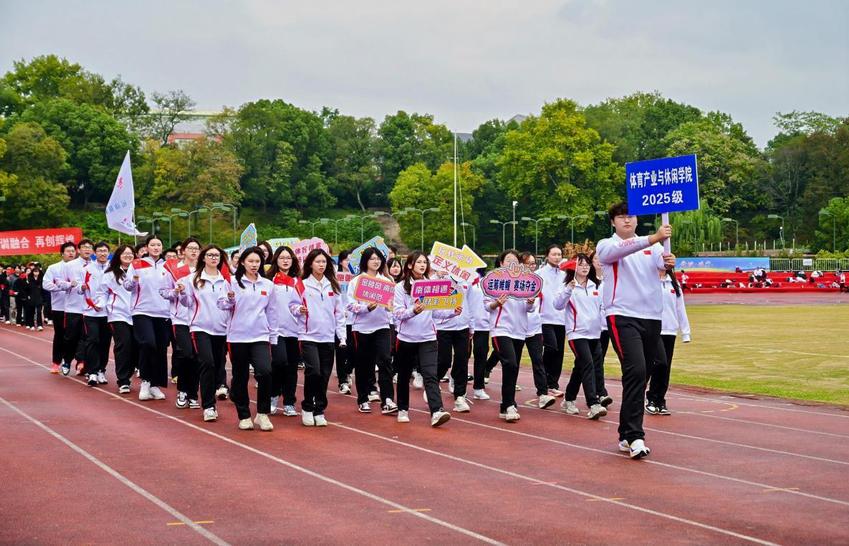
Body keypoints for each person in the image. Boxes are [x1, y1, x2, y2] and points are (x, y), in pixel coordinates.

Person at [596, 202, 674, 459]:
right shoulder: (606, 245)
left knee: (644, 373)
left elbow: (662, 266)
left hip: (651, 316)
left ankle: (625, 433)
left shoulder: (654, 248)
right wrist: (654, 237)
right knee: (636, 370)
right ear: (613, 222)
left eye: (631, 216)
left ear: (637, 220)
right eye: (621, 217)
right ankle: (635, 436)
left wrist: (668, 261)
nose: (627, 220)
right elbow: (622, 250)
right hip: (622, 315)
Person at [393, 251, 459, 426]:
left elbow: (435, 312)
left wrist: (452, 312)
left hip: (428, 337)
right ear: (410, 265)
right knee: (404, 375)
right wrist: (413, 311)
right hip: (406, 338)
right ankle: (402, 409)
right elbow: (397, 313)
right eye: (419, 262)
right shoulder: (400, 287)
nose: (422, 265)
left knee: (430, 375)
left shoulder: (431, 285)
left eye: (425, 262)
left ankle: (436, 411)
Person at [219, 246, 277, 431]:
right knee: (240, 376)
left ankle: (262, 413)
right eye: (250, 261)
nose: (254, 264)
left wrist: (273, 336)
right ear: (242, 262)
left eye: (257, 261)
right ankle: (244, 415)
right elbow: (221, 304)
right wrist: (230, 299)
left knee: (265, 372)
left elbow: (272, 312)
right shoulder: (232, 283)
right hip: (238, 336)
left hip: (260, 335)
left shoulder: (267, 285)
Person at [290, 248, 346, 427]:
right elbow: (292, 305)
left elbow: (339, 313)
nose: (321, 265)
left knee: (324, 375)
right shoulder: (302, 284)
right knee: (313, 371)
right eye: (317, 262)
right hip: (308, 336)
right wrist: (298, 309)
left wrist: (342, 337)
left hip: (327, 337)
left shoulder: (333, 285)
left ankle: (319, 409)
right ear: (310, 264)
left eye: (324, 262)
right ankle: (307, 406)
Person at [179, 245, 231, 422]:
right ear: (203, 258)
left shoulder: (226, 281)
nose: (214, 258)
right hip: (200, 327)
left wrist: (231, 300)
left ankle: (214, 392)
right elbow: (187, 302)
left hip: (221, 329)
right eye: (210, 255)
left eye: (217, 255)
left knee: (216, 365)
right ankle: (209, 406)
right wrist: (181, 293)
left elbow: (230, 304)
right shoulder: (193, 279)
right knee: (207, 363)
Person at [554, 253, 608, 420]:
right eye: (581, 264)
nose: (585, 267)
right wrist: (568, 289)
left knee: (581, 367)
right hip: (576, 333)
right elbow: (557, 305)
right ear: (574, 267)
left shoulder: (596, 285)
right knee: (588, 365)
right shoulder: (567, 287)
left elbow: (603, 307)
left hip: (595, 333)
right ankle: (593, 403)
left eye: (587, 264)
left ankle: (569, 399)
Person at [484, 250, 534, 423]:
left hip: (519, 330)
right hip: (501, 329)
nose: (512, 263)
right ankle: (509, 404)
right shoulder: (493, 281)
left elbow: (529, 309)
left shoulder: (524, 281)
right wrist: (496, 303)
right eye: (508, 260)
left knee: (513, 368)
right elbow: (486, 306)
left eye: (515, 261)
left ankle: (507, 405)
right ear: (501, 263)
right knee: (510, 363)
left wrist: (530, 303)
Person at [347, 248, 398, 415]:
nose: (376, 262)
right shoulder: (357, 281)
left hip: (382, 326)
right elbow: (350, 305)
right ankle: (363, 399)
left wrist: (390, 307)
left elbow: (392, 305)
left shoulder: (386, 281)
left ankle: (387, 399)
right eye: (372, 259)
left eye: (378, 259)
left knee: (385, 361)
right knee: (363, 364)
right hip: (361, 328)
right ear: (365, 261)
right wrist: (366, 308)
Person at [125, 235, 171, 401]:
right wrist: (134, 280)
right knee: (148, 343)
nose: (156, 247)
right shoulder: (137, 264)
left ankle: (154, 384)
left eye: (159, 245)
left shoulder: (168, 265)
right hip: (142, 310)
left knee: (160, 348)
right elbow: (127, 286)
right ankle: (145, 381)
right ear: (147, 247)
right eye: (153, 245)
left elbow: (172, 288)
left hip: (163, 312)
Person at [646, 268, 691, 415]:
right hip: (654, 329)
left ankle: (660, 400)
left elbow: (680, 308)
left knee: (666, 368)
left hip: (670, 330)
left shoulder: (674, 284)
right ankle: (651, 398)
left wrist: (685, 332)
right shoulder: (649, 281)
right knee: (660, 362)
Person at [161, 237, 201, 409]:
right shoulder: (174, 269)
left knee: (197, 357)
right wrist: (176, 292)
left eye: (196, 248)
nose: (193, 251)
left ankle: (193, 394)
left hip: (199, 320)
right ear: (183, 251)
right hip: (181, 319)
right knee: (186, 354)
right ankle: (183, 390)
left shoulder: (203, 270)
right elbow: (163, 292)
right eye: (190, 248)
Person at [266, 245, 302, 417]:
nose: (285, 261)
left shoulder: (298, 282)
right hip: (276, 330)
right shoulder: (269, 280)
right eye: (282, 258)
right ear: (276, 260)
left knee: (292, 367)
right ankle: (273, 395)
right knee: (279, 362)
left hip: (294, 331)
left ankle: (289, 402)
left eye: (288, 258)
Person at [95, 245, 136, 393]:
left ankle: (129, 373)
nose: (128, 256)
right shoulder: (110, 273)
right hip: (117, 314)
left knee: (136, 346)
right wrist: (100, 304)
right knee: (124, 344)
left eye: (131, 253)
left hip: (137, 313)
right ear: (118, 255)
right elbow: (103, 292)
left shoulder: (139, 271)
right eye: (124, 253)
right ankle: (123, 380)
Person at [518, 252, 555, 410]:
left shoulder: (537, 282)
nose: (531, 267)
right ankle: (508, 399)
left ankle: (543, 394)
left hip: (534, 328)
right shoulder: (514, 283)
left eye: (533, 264)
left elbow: (538, 305)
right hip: (517, 329)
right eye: (528, 263)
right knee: (513, 363)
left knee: (538, 361)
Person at [79, 241, 112, 387]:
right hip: (90, 311)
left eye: (105, 251)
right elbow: (79, 288)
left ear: (108, 253)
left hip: (108, 312)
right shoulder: (87, 269)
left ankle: (101, 370)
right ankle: (92, 372)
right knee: (92, 340)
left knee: (105, 342)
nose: (102, 253)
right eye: (99, 251)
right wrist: (82, 287)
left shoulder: (113, 268)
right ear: (94, 253)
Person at [61, 239, 94, 375]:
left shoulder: (95, 265)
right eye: (84, 247)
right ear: (78, 250)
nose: (87, 249)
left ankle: (82, 362)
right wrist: (70, 285)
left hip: (90, 309)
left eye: (90, 247)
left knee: (87, 337)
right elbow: (60, 283)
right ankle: (67, 360)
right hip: (73, 307)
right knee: (71, 337)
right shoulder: (69, 265)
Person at [538, 244, 567, 398]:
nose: (557, 257)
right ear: (547, 255)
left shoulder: (564, 275)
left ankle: (553, 384)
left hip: (561, 319)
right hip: (545, 318)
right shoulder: (539, 274)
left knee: (559, 352)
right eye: (554, 254)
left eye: (559, 254)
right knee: (551, 348)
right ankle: (543, 379)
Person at [43, 243, 77, 373]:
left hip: (77, 308)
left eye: (73, 251)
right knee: (60, 335)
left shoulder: (81, 267)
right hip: (59, 307)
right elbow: (46, 284)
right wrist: (64, 286)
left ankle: (79, 361)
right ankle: (56, 362)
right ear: (62, 253)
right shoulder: (54, 268)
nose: (71, 253)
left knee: (77, 336)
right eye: (68, 251)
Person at [335, 249, 354, 395]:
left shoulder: (358, 277)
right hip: (339, 320)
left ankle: (348, 371)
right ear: (341, 261)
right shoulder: (335, 276)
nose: (350, 262)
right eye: (347, 259)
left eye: (352, 260)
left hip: (354, 319)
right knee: (341, 351)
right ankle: (342, 381)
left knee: (353, 351)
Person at [27, 267, 45, 331]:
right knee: (31, 312)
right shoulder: (29, 279)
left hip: (39, 297)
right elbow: (27, 289)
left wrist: (43, 298)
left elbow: (43, 290)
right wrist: (28, 295)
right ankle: (31, 325)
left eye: (37, 271)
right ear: (32, 272)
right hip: (31, 297)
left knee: (39, 311)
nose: (36, 273)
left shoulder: (42, 279)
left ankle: (39, 325)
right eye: (35, 271)